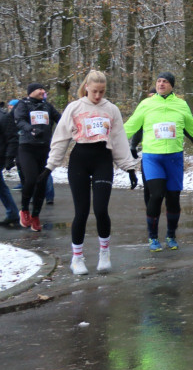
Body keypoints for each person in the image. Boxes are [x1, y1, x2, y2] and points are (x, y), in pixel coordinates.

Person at [41, 71, 138, 274]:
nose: (98, 96)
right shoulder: (74, 108)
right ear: (87, 87)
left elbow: (119, 139)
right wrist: (50, 166)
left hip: (103, 160)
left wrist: (129, 167)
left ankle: (105, 253)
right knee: (81, 211)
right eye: (94, 91)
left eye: (102, 92)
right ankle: (77, 258)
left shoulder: (111, 109)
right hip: (80, 161)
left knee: (101, 209)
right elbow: (60, 138)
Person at [122, 72, 193, 251]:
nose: (161, 84)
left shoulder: (181, 105)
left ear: (172, 85)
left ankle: (171, 235)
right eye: (158, 81)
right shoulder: (146, 104)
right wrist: (111, 142)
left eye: (165, 81)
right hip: (152, 157)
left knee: (173, 198)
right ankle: (152, 237)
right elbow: (130, 126)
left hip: (174, 158)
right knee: (156, 195)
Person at [12, 82, 62, 230]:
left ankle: (35, 216)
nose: (43, 91)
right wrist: (31, 129)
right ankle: (25, 209)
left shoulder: (47, 106)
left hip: (44, 148)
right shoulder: (23, 104)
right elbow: (19, 121)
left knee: (42, 182)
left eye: (43, 89)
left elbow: (61, 119)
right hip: (27, 148)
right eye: (40, 89)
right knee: (31, 179)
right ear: (31, 91)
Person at [0, 103, 19, 226]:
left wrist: (9, 158)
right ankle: (12, 213)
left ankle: (12, 213)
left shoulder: (4, 117)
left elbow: (12, 138)